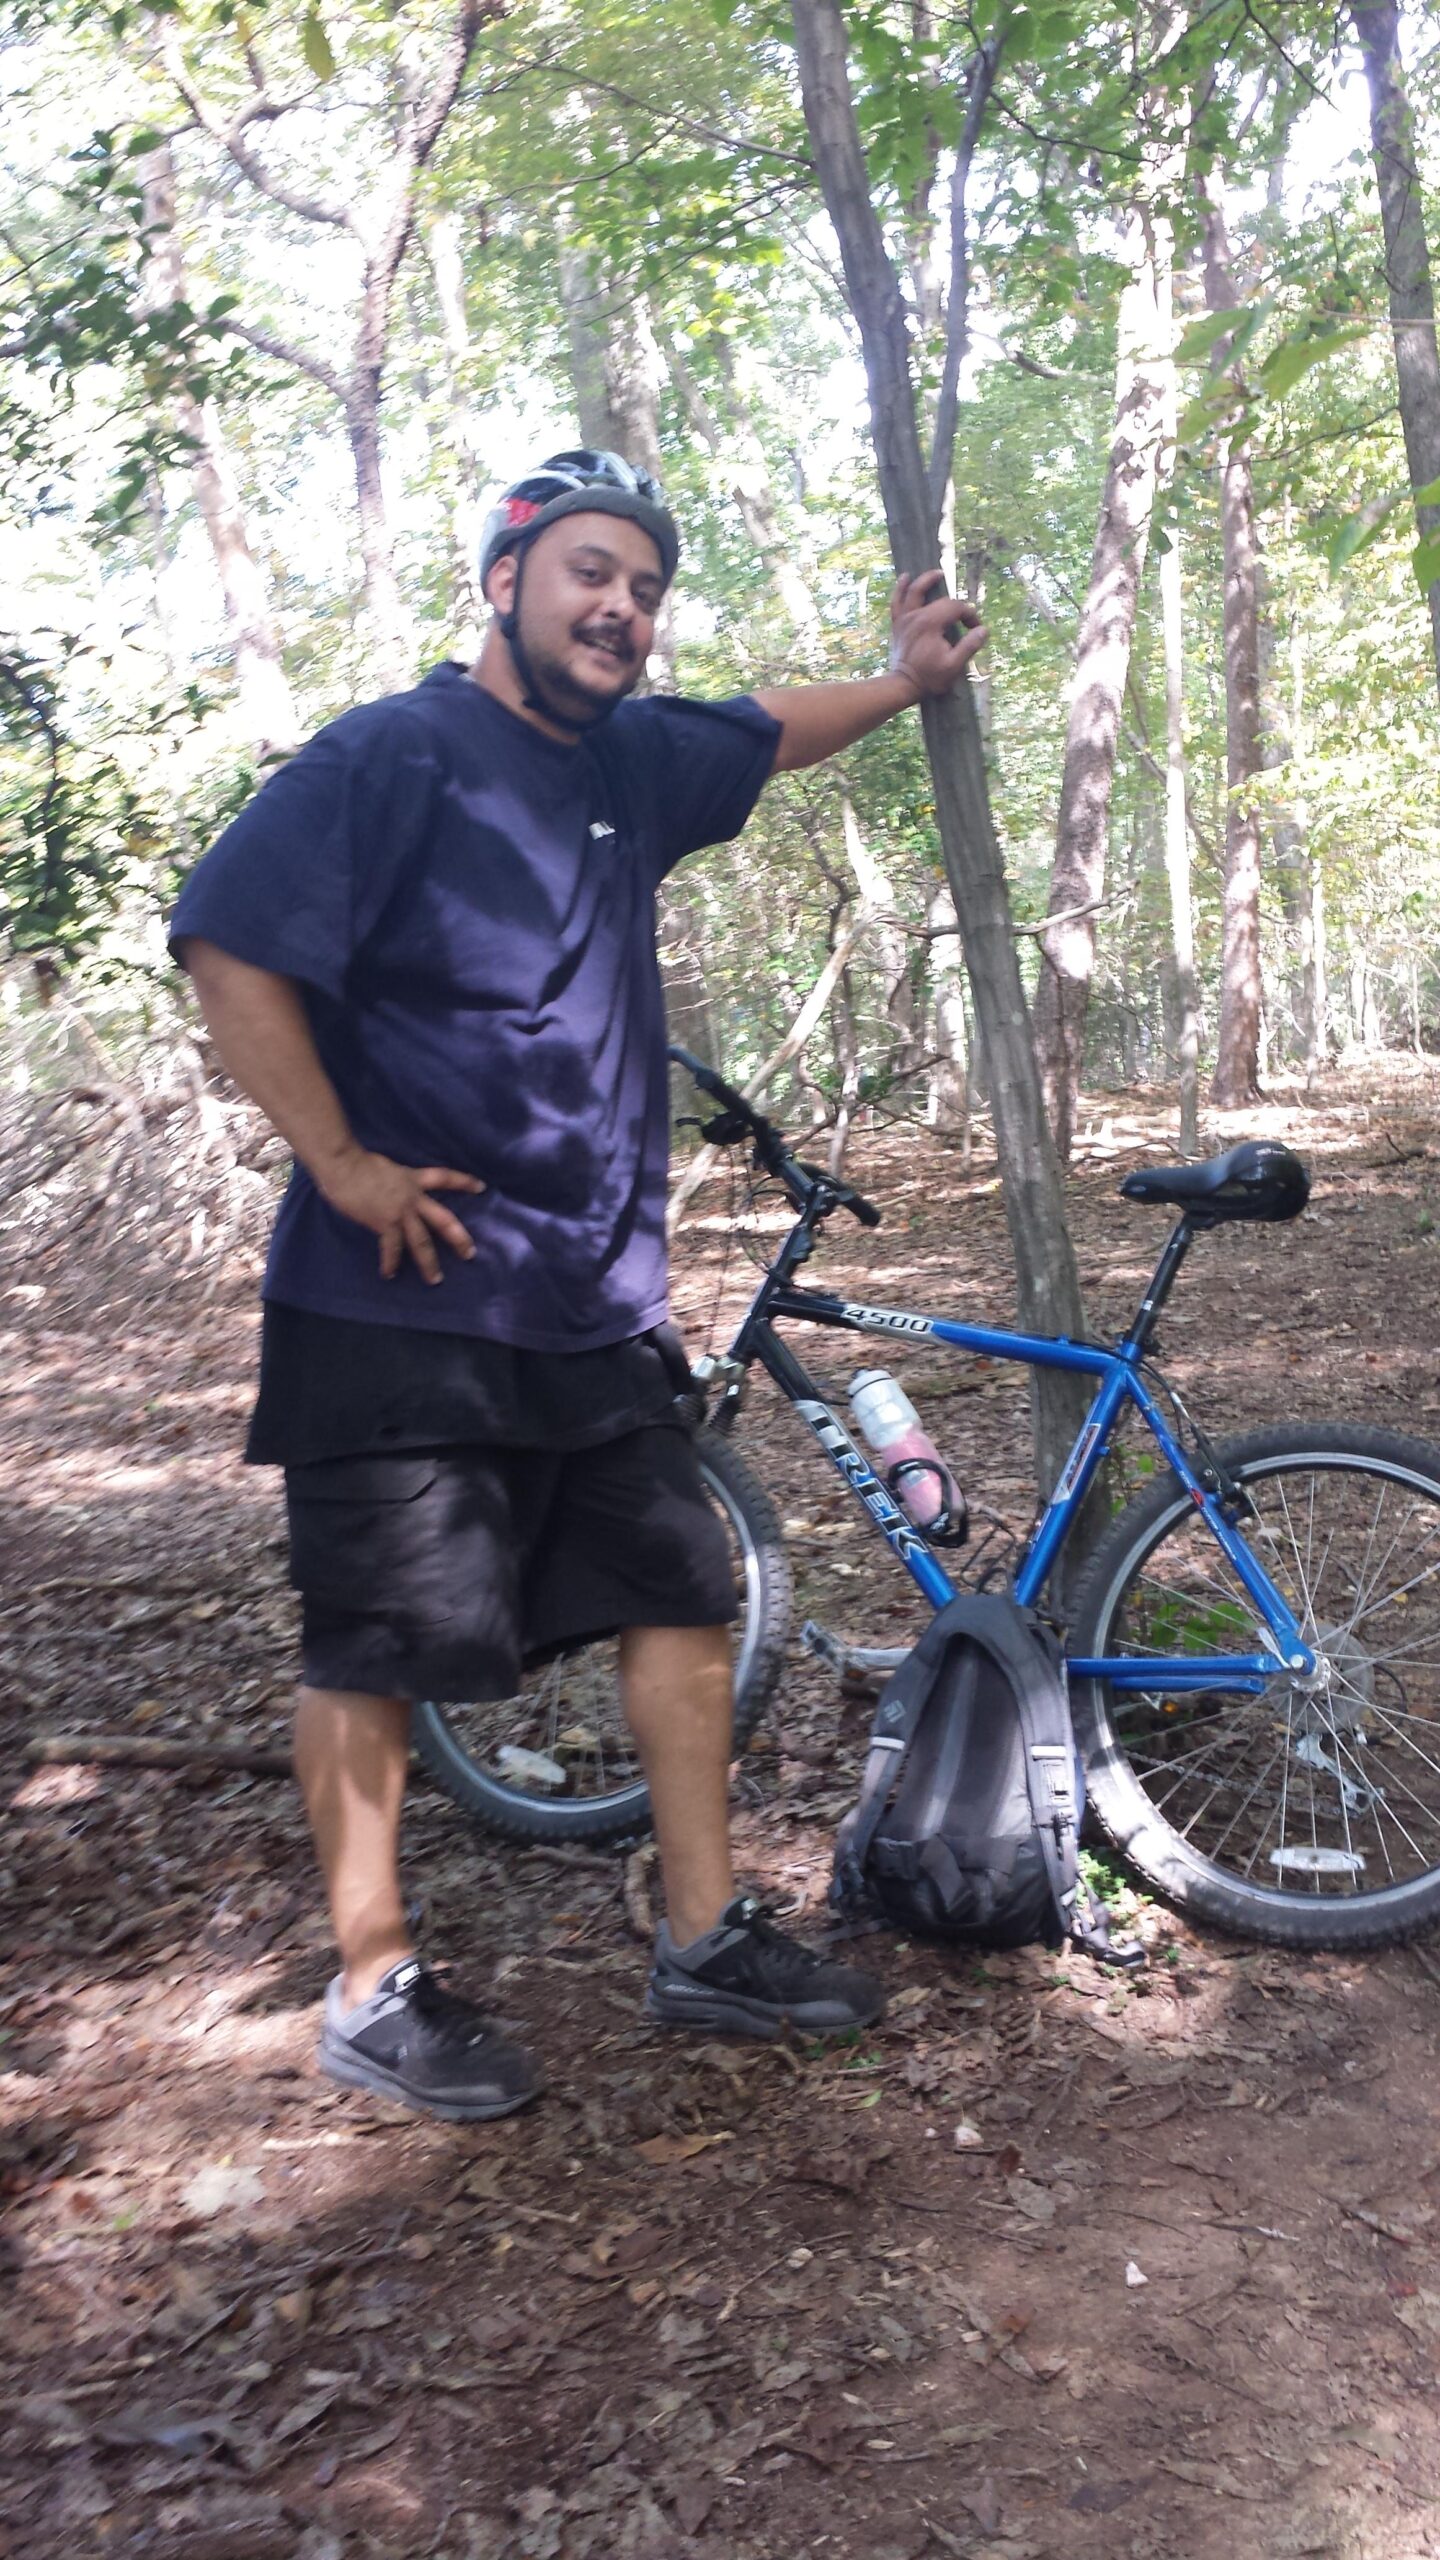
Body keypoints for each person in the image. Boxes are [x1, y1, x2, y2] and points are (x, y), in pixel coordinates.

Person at [170, 448, 987, 2124]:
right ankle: (373, 1981)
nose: (618, 606)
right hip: (397, 1292)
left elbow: (769, 721)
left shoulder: (632, 758)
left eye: (642, 586)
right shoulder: (388, 756)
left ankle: (703, 1940)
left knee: (684, 1590)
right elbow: (229, 943)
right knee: (373, 1641)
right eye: (586, 574)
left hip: (589, 1296)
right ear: (505, 583)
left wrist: (905, 684)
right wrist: (339, 1160)